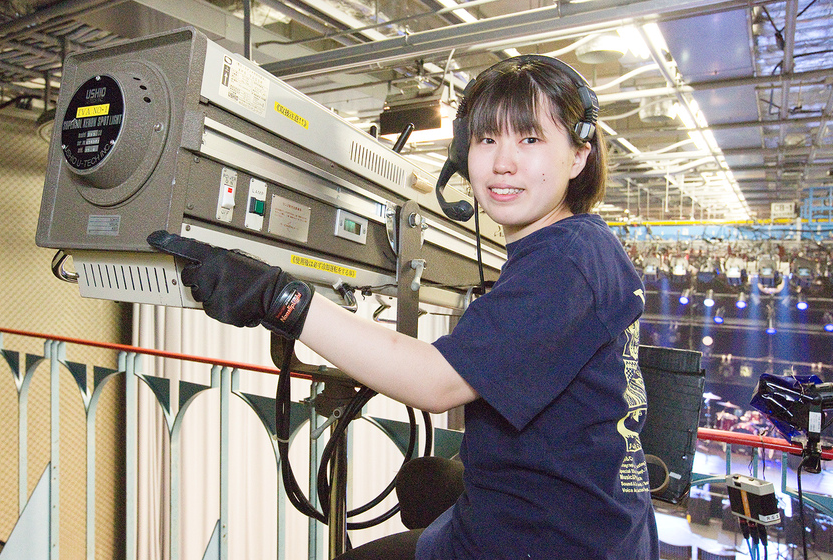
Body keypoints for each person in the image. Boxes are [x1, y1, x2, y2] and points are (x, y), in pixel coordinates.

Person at [149, 54, 658, 560]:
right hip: (582, 525)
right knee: (420, 485)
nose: (503, 162)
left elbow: (435, 383)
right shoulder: (576, 248)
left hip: (542, 543)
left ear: (578, 155)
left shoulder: (566, 259)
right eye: (487, 140)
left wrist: (277, 298)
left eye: (530, 139)